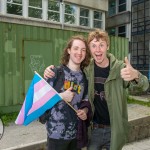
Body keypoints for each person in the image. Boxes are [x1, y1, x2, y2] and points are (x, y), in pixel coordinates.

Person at [43, 29, 149, 150]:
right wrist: (49, 71)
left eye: (101, 45)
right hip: (93, 130)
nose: (98, 49)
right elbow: (71, 70)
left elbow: (143, 86)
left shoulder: (120, 68)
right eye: (93, 46)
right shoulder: (87, 69)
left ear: (107, 47)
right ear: (90, 49)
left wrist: (136, 75)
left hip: (114, 130)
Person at [39, 35, 92, 150]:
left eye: (83, 50)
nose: (79, 52)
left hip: (76, 136)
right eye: (76, 48)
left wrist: (84, 111)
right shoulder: (55, 73)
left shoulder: (84, 78)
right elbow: (41, 100)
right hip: (56, 136)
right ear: (69, 50)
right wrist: (61, 96)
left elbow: (85, 101)